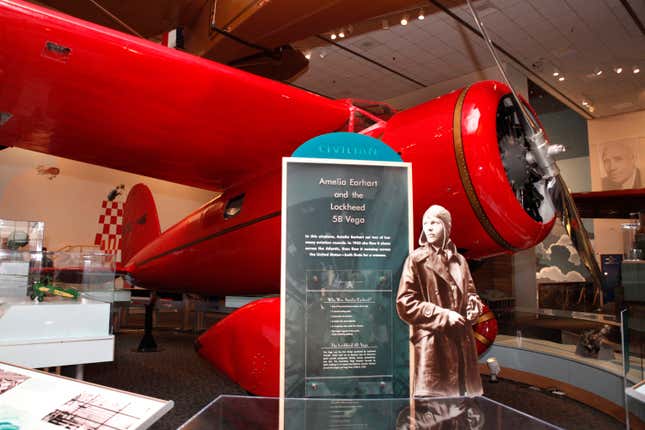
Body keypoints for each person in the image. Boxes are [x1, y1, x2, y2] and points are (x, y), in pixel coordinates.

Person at [396, 205, 484, 397]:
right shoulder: (416, 260)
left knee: (465, 409)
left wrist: (474, 306)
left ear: (446, 226)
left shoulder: (460, 261)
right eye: (425, 223)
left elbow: (471, 293)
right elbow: (404, 303)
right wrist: (443, 315)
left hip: (463, 345)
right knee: (432, 414)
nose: (428, 227)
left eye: (434, 222)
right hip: (434, 348)